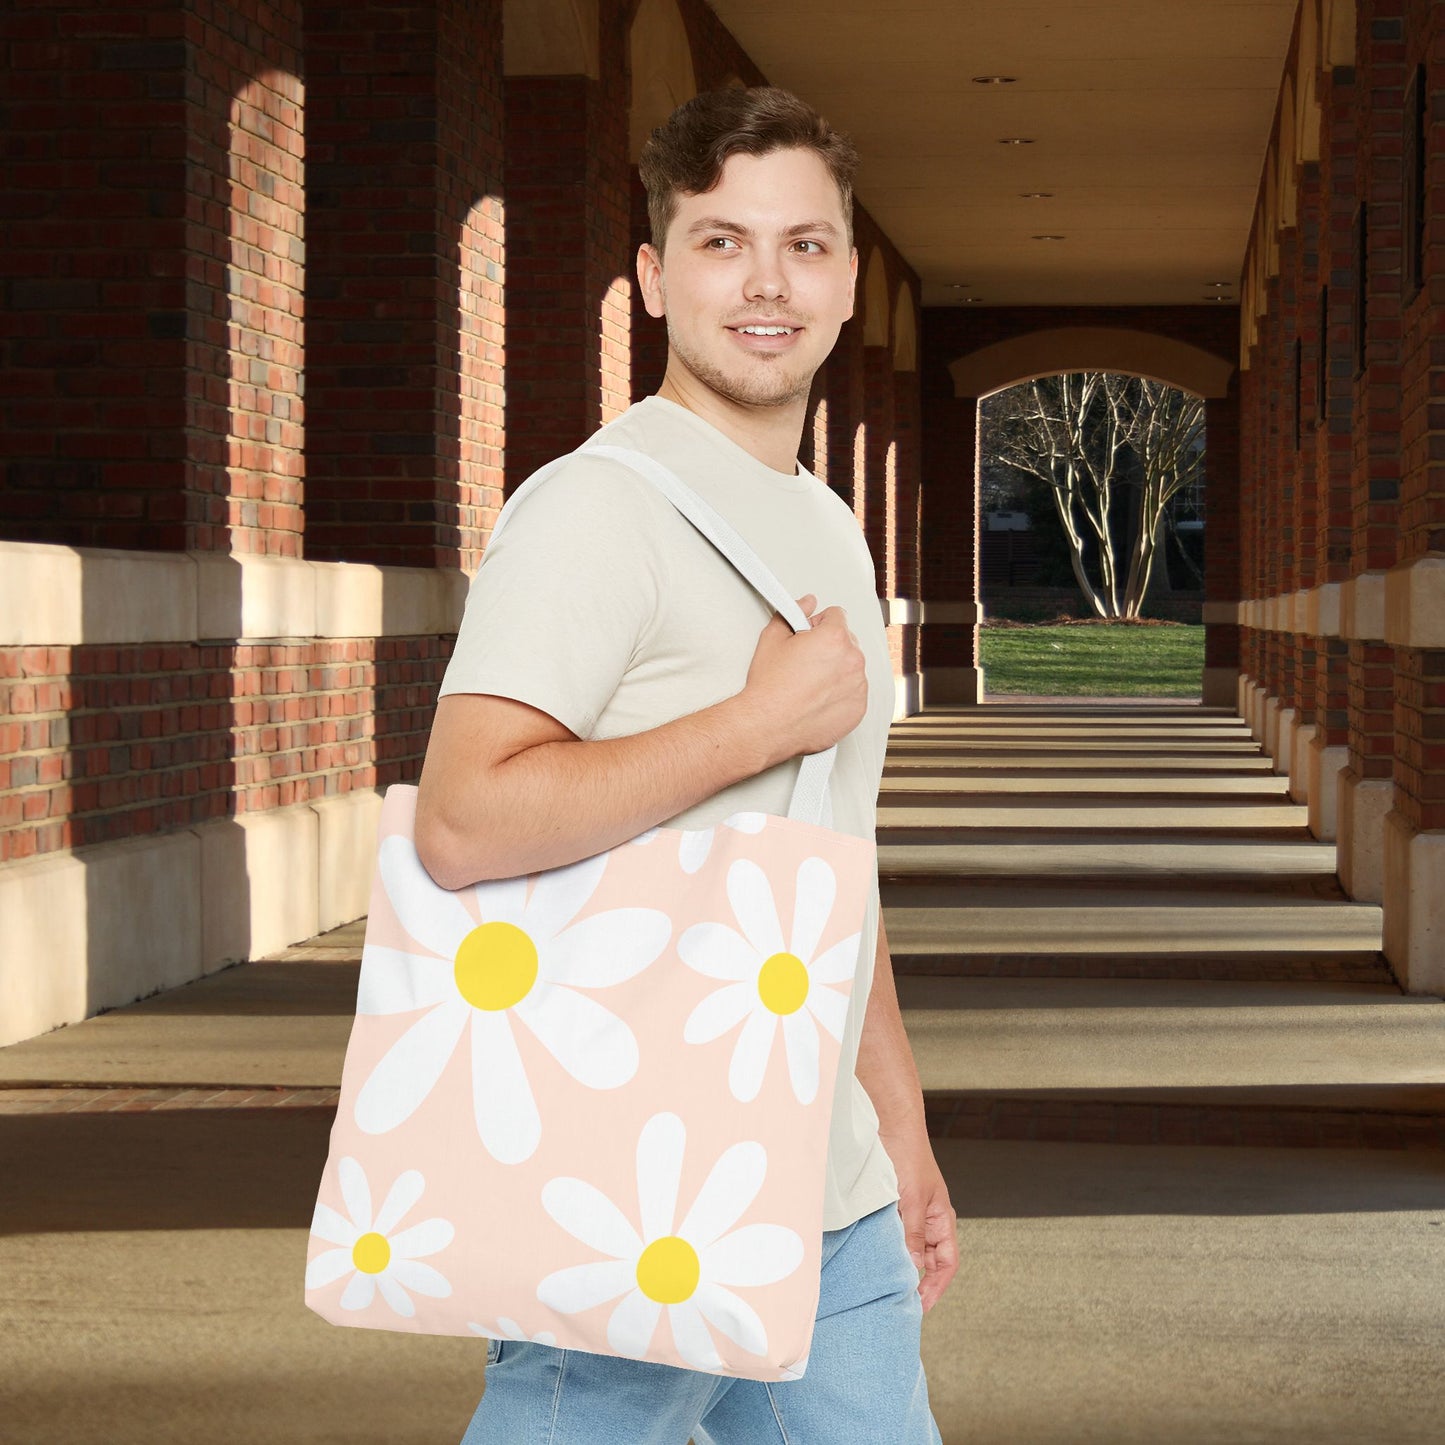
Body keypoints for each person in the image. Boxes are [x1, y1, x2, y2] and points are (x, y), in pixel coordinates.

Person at [414, 83, 957, 1445]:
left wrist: (897, 1128)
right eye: (723, 243)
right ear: (657, 280)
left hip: (828, 1196)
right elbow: (463, 820)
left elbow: (833, 857)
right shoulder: (593, 508)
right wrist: (751, 726)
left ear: (843, 281)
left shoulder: (824, 525)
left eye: (803, 245)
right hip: (641, 1178)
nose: (766, 283)